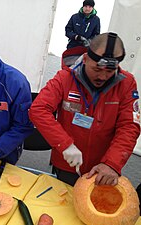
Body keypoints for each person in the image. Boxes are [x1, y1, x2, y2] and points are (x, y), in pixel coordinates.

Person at [29, 32, 140, 186]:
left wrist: (111, 164)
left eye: (109, 72)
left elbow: (129, 126)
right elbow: (38, 109)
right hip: (68, 163)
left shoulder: (127, 84)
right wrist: (64, 144)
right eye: (96, 70)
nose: (102, 76)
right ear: (86, 59)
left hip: (102, 168)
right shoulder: (64, 78)